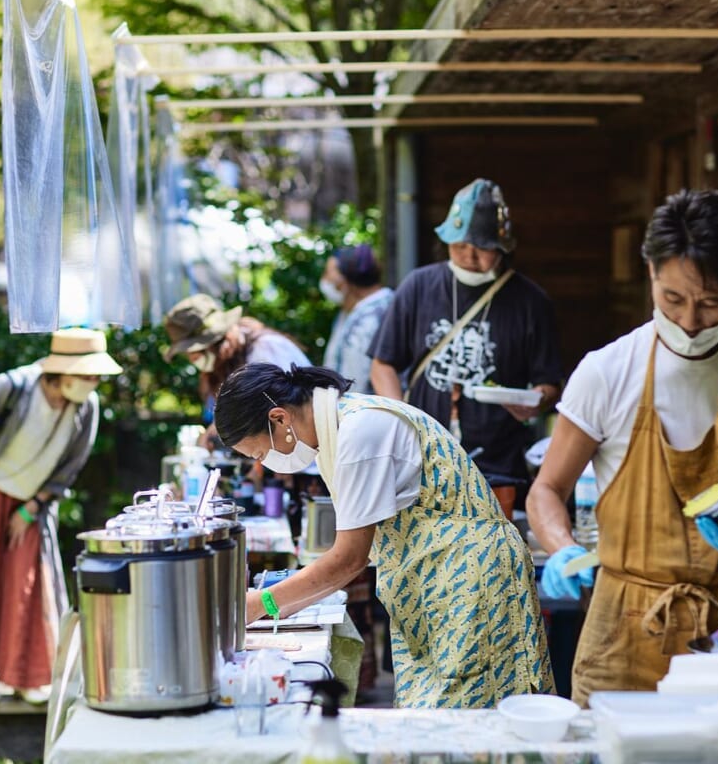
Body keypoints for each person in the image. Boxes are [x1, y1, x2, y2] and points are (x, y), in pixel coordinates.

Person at [526, 189, 718, 706]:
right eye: (673, 298)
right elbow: (547, 488)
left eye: (711, 303)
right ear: (650, 272)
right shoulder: (607, 370)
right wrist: (562, 547)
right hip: (622, 628)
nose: (690, 321)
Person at [213, 362, 554, 708]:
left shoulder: (360, 430)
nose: (265, 462)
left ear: (279, 419)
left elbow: (348, 559)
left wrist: (260, 604)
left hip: (473, 582)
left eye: (259, 453)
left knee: (466, 720)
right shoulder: (341, 428)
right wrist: (274, 607)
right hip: (438, 585)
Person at [0, 327, 122, 705]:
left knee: (28, 587)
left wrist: (32, 508)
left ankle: (26, 676)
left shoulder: (86, 405)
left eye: (96, 376)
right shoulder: (8, 389)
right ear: (61, 371)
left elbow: (69, 467)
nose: (93, 382)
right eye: (87, 374)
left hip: (31, 504)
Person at [368, 178, 562, 516]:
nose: (468, 255)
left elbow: (549, 383)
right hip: (423, 462)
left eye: (481, 247)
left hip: (498, 466)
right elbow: (383, 363)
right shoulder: (419, 286)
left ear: (503, 246)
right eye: (459, 244)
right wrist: (402, 419)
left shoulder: (531, 302)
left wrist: (535, 402)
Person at [163, 293, 311, 444]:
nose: (191, 358)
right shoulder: (227, 365)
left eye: (193, 350)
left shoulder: (265, 349)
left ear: (216, 341)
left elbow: (284, 414)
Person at [320, 243, 394, 394]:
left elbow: (354, 384)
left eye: (329, 273)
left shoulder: (367, 321)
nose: (325, 280)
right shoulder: (386, 305)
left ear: (345, 283)